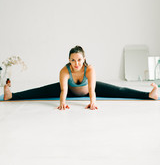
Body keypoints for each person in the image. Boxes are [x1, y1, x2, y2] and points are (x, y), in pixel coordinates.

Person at [3, 45, 158, 110]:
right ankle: (12, 95)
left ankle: (148, 95)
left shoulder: (89, 69)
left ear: (84, 59)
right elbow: (63, 90)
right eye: (73, 60)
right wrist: (62, 103)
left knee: (119, 89)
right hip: (70, 91)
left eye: (79, 60)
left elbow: (91, 89)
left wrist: (93, 103)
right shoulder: (65, 70)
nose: (76, 63)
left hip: (87, 90)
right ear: (69, 60)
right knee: (39, 91)